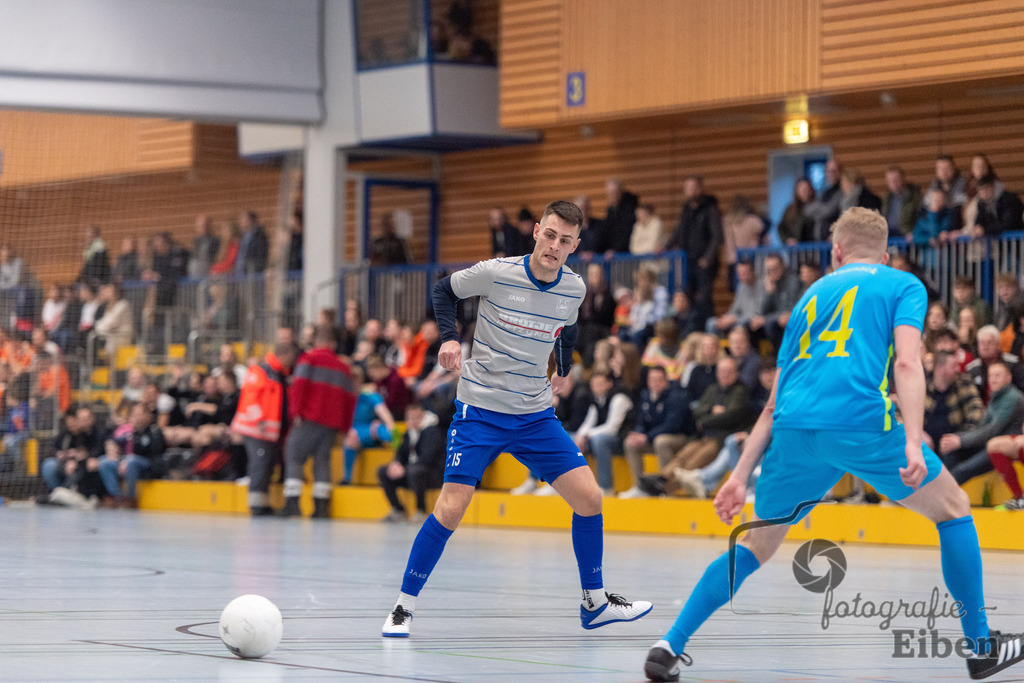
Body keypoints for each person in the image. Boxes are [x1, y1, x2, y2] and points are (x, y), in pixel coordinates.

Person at [642, 207, 1024, 682]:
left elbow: (770, 403)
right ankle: (982, 646)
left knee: (756, 545)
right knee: (953, 508)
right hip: (860, 422)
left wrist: (739, 476)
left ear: (835, 252)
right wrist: (911, 439)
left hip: (794, 432)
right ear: (886, 255)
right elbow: (908, 364)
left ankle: (668, 645)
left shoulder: (806, 298)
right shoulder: (901, 285)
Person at [382, 200, 652, 637]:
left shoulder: (574, 288)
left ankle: (595, 602)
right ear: (536, 232)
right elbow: (442, 289)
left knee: (590, 498)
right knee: (451, 509)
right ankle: (402, 607)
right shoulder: (496, 271)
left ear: (575, 246)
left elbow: (566, 328)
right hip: (481, 411)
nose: (554, 245)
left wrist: (562, 368)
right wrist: (449, 340)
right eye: (549, 235)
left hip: (534, 415)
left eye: (565, 240)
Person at [637, 356, 750, 496]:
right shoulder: (712, 389)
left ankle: (663, 488)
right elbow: (698, 411)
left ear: (736, 373)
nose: (724, 374)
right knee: (683, 456)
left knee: (693, 463)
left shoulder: (740, 392)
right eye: (722, 371)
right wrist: (713, 412)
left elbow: (731, 416)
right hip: (704, 436)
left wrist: (707, 419)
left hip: (721, 439)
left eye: (728, 371)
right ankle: (661, 477)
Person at [281, 325, 357, 519]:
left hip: (309, 419)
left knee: (294, 455)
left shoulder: (309, 359)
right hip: (332, 424)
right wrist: (345, 427)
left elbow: (299, 386)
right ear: (333, 344)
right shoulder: (343, 368)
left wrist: (295, 412)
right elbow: (350, 399)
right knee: (322, 461)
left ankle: (293, 504)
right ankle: (321, 506)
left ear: (316, 341)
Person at [230, 341, 297, 516]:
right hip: (256, 428)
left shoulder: (280, 374)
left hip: (269, 431)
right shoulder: (261, 371)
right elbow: (250, 398)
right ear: (284, 355)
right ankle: (256, 505)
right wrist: (259, 419)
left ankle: (263, 503)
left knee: (267, 464)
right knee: (259, 464)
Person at [936, 360, 1024, 487]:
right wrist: (959, 438)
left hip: (1002, 447)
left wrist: (961, 440)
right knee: (951, 450)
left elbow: (992, 430)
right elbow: (983, 426)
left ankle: (941, 495)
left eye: (998, 375)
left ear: (1008, 378)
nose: (993, 380)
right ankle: (945, 495)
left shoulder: (1012, 398)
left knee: (962, 469)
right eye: (990, 376)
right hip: (991, 442)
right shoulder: (997, 396)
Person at [620, 365, 694, 499]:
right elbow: (642, 421)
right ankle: (640, 487)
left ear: (666, 380)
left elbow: (672, 425)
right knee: (630, 443)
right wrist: (639, 434)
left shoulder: (677, 396)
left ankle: (664, 488)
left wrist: (647, 437)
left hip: (682, 437)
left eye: (658, 380)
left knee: (662, 441)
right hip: (654, 437)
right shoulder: (646, 395)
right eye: (652, 380)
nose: (654, 383)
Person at [379, 402, 447, 523]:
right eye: (410, 418)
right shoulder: (408, 433)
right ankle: (398, 510)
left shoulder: (432, 431)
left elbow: (427, 459)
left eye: (416, 417)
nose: (413, 421)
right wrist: (396, 464)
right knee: (384, 471)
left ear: (422, 417)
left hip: (433, 475)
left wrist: (404, 469)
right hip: (412, 472)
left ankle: (421, 510)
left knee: (414, 471)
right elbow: (401, 453)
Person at [573, 370, 634, 497]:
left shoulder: (619, 398)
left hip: (622, 438)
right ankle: (576, 486)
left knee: (599, 440)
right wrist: (580, 436)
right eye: (594, 384)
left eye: (600, 384)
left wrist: (587, 435)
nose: (597, 387)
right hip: (605, 436)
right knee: (573, 440)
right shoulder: (596, 400)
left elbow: (612, 428)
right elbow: (588, 422)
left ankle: (606, 487)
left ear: (609, 384)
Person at [666, 175, 722, 310]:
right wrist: (665, 247)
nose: (691, 191)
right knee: (688, 297)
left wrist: (708, 258)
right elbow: (678, 232)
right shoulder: (686, 210)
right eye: (688, 188)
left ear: (700, 189)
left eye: (694, 188)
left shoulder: (710, 209)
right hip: (688, 260)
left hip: (704, 262)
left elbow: (716, 235)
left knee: (704, 298)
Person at [98, 402, 166, 508]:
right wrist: (120, 459)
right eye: (135, 415)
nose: (138, 418)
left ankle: (131, 498)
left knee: (131, 460)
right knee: (104, 462)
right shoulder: (131, 433)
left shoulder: (155, 432)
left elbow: (155, 454)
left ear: (148, 415)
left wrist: (127, 460)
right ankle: (117, 497)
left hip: (148, 465)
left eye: (140, 414)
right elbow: (119, 447)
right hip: (128, 463)